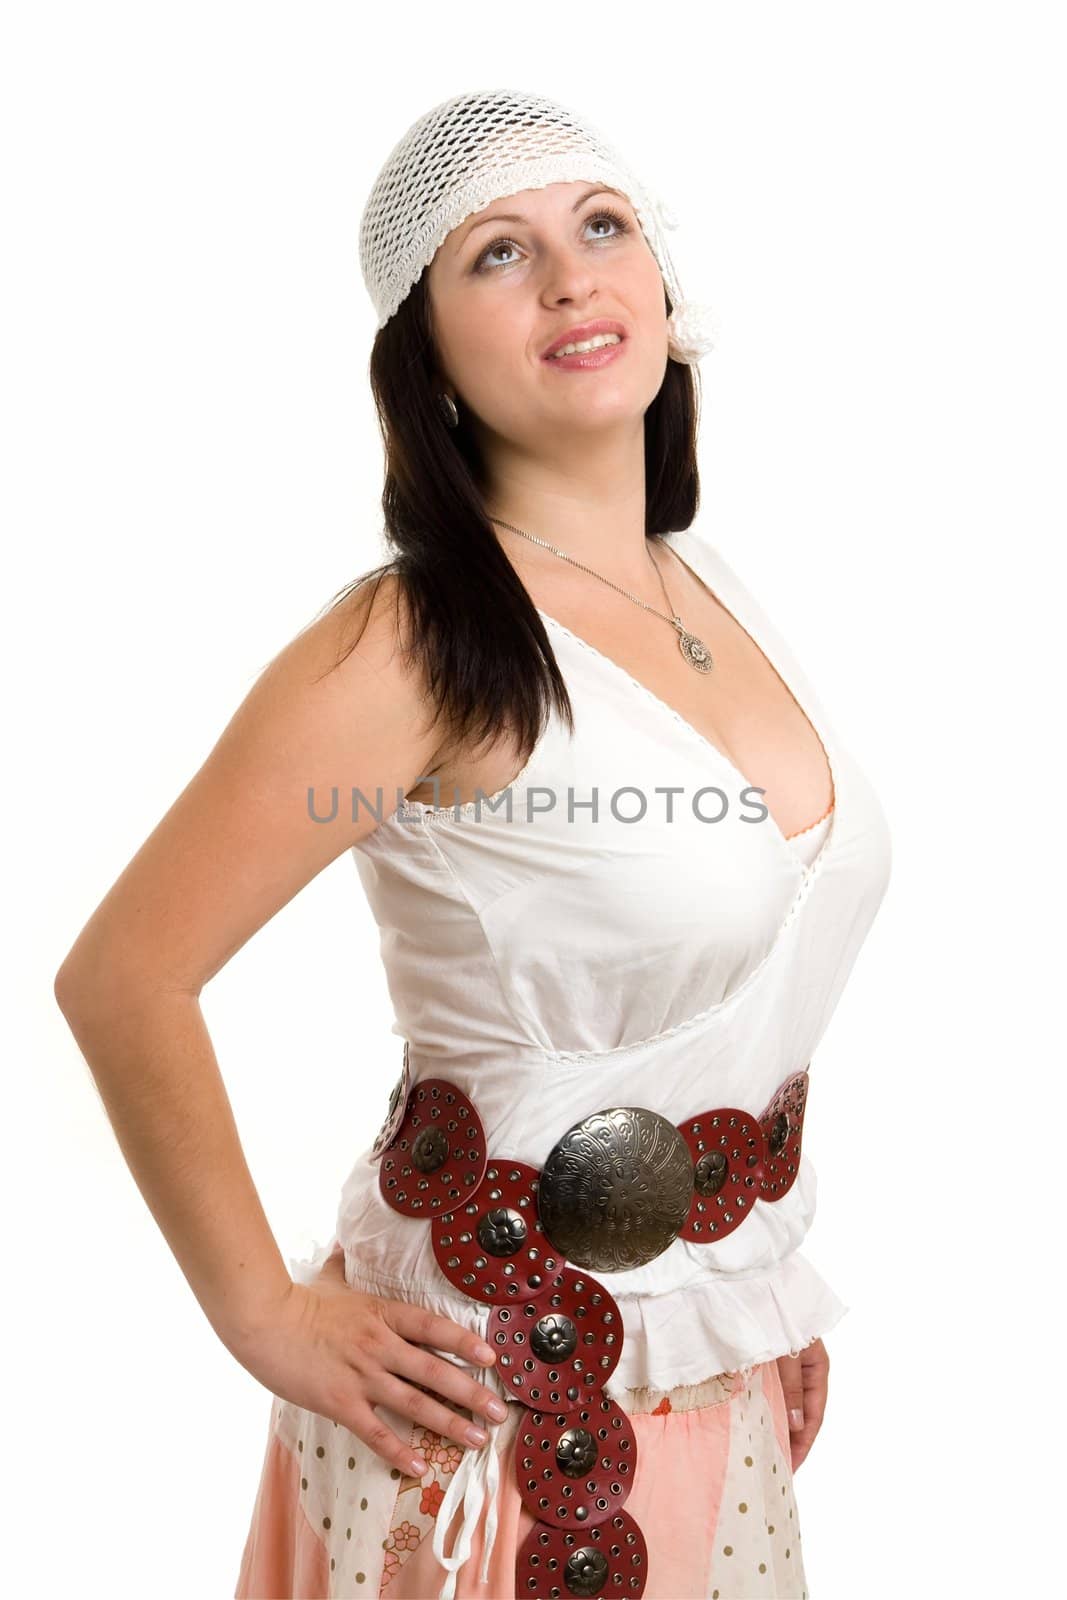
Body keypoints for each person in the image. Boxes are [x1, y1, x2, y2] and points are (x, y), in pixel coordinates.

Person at [55, 88, 892, 1600]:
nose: (573, 278)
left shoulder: (708, 591)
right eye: (497, 255)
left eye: (602, 225)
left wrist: (745, 1285)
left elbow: (733, 995)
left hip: (705, 1365)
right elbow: (124, 977)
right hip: (491, 1404)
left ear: (661, 286)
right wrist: (261, 1312)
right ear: (423, 358)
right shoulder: (415, 642)